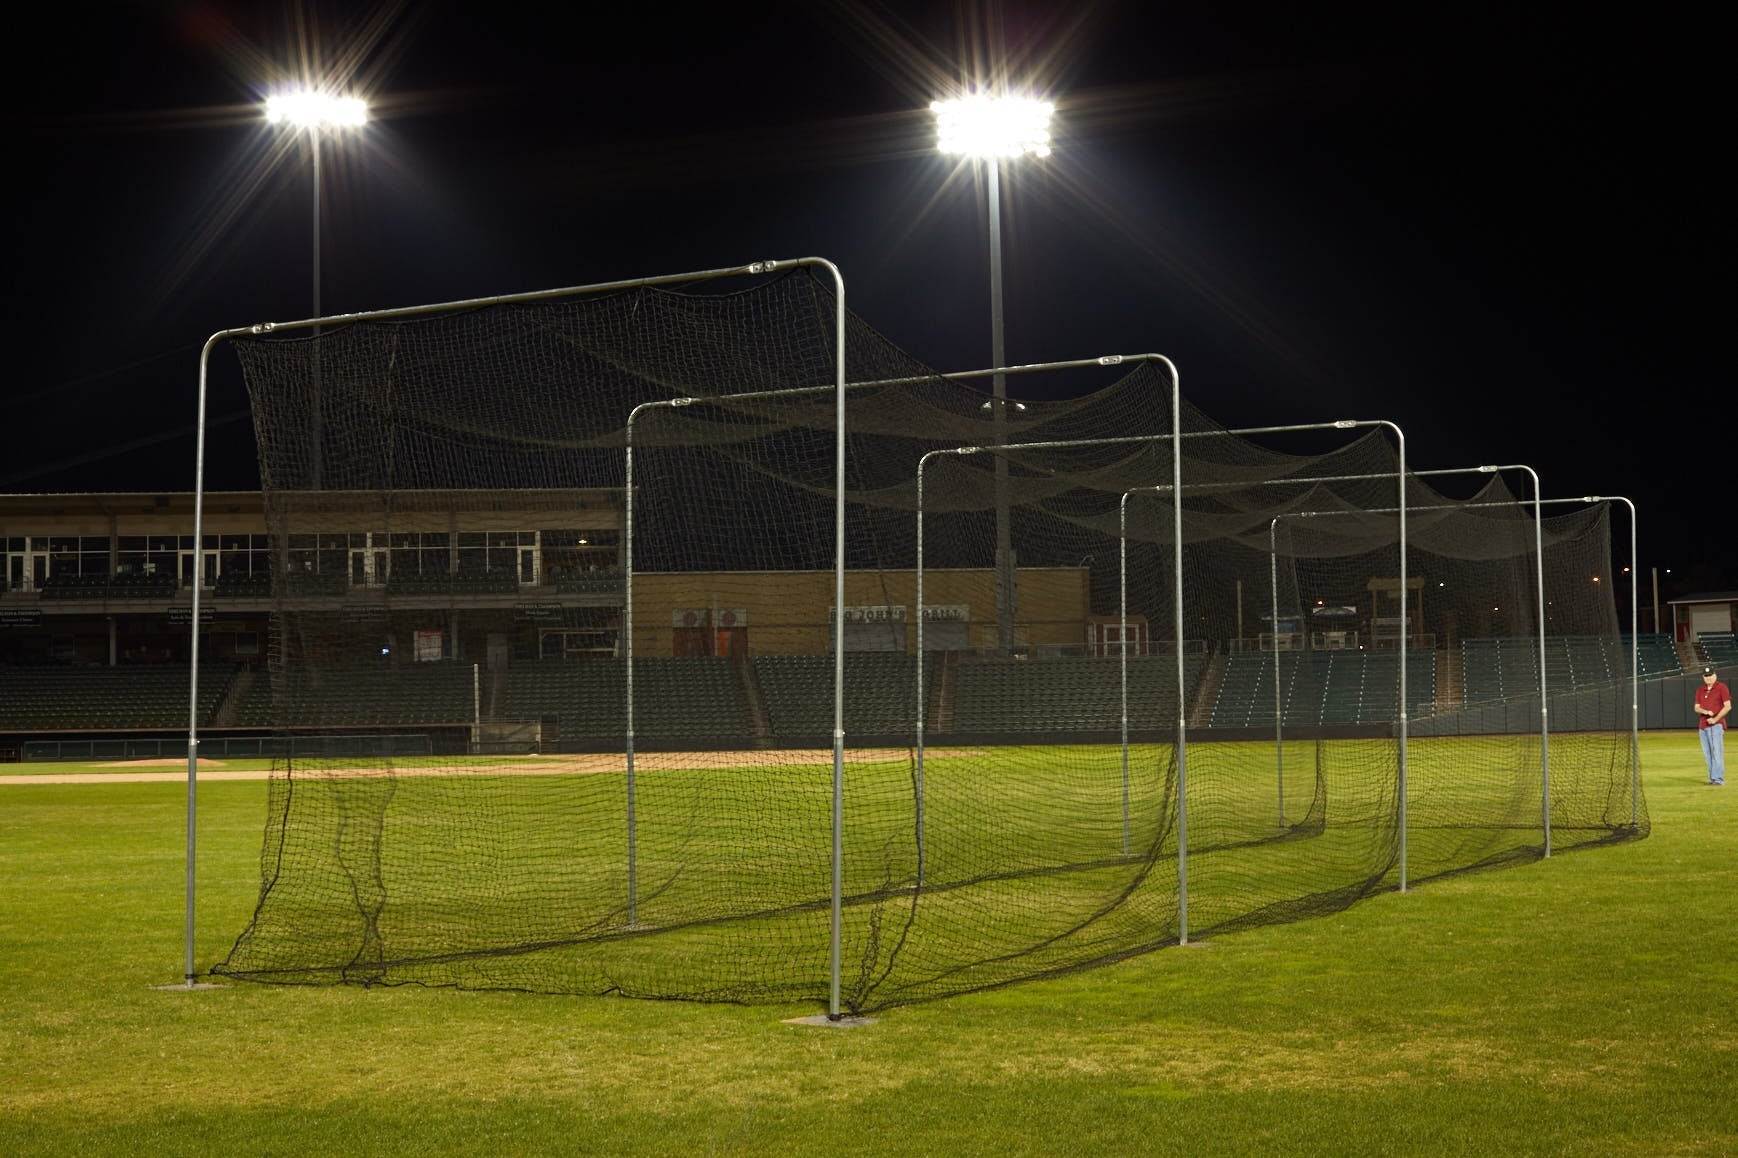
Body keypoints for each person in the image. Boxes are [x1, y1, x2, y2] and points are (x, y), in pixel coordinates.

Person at [1694, 664, 1730, 786]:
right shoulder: (1700, 689)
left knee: (1716, 752)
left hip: (1716, 725)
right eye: (1706, 676)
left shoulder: (1722, 687)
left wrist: (1715, 719)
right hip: (1703, 726)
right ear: (1703, 677)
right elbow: (1696, 707)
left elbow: (1728, 706)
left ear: (1715, 675)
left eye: (1710, 675)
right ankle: (1713, 778)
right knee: (1707, 753)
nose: (1708, 678)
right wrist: (1705, 712)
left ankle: (1718, 779)